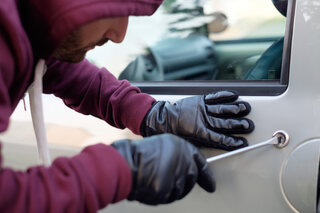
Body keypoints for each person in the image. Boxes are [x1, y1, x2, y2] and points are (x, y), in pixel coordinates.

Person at [0, 0, 254, 212]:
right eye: (115, 11)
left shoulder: (28, 24)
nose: (120, 36)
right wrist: (122, 169)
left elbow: (57, 70)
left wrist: (153, 114)